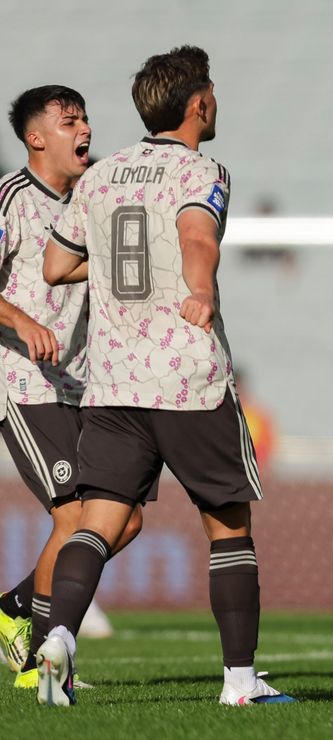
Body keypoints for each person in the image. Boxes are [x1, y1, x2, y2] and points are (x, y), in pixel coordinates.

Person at [37, 45, 293, 707]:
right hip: (186, 376)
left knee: (96, 522)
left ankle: (60, 636)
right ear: (199, 102)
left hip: (114, 380)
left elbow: (55, 268)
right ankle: (239, 681)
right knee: (227, 525)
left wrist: (131, 271)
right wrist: (198, 287)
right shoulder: (201, 169)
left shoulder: (101, 176)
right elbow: (196, 237)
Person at [0, 85, 144, 689]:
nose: (83, 127)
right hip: (22, 381)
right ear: (37, 137)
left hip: (82, 383)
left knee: (125, 519)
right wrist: (23, 320)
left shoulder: (92, 198)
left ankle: (13, 610)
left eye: (85, 116)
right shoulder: (10, 199)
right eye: (68, 120)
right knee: (77, 515)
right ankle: (36, 665)